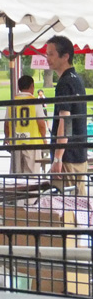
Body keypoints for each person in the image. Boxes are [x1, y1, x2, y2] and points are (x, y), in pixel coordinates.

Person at [45, 35, 88, 196]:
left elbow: (65, 121)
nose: (47, 58)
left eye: (51, 54)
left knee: (64, 205)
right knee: (79, 203)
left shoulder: (64, 83)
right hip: (80, 153)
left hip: (67, 156)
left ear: (65, 56)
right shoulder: (77, 80)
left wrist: (58, 158)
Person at [3, 75, 47, 174]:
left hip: (16, 142)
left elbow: (6, 124)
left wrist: (7, 137)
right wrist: (44, 138)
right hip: (33, 142)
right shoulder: (35, 102)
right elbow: (41, 124)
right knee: (32, 174)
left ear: (19, 87)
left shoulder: (12, 102)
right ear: (32, 86)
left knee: (16, 175)